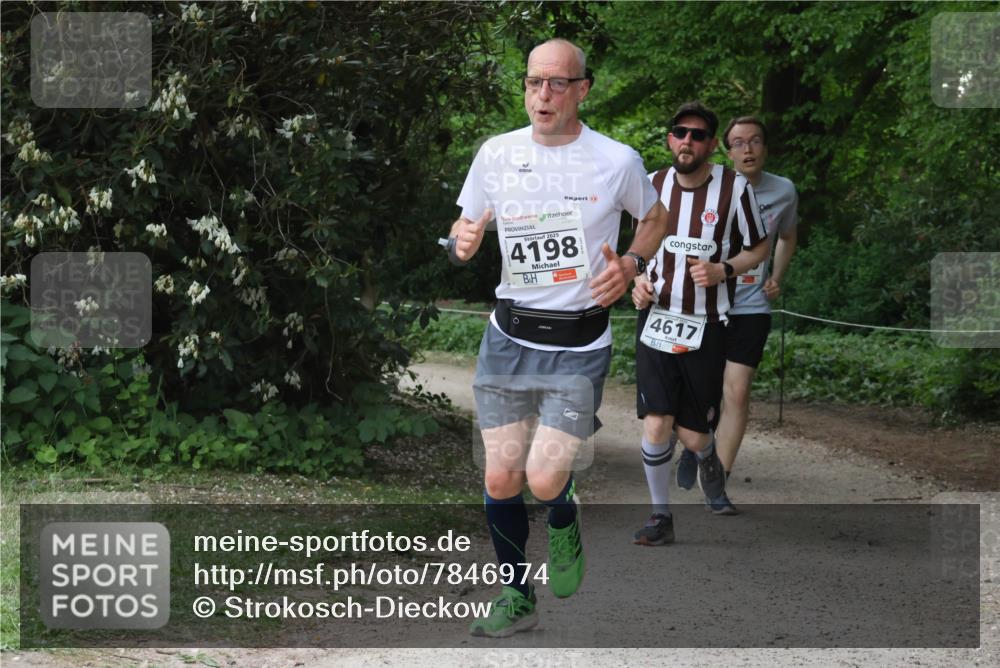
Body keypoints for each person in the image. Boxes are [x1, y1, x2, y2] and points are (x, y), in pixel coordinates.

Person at [447, 38, 669, 636]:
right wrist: (462, 240)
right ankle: (517, 596)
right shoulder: (496, 153)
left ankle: (563, 513)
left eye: (557, 84)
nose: (543, 95)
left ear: (582, 90)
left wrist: (631, 263)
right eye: (534, 82)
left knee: (543, 480)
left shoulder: (616, 160)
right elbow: (466, 221)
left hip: (578, 344)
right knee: (500, 477)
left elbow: (655, 217)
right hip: (508, 335)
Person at [630, 102, 769, 546]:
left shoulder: (734, 189)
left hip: (707, 323)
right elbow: (635, 251)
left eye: (697, 134)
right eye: (679, 132)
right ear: (671, 139)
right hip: (655, 319)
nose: (686, 141)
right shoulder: (650, 185)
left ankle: (707, 456)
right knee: (656, 420)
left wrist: (724, 270)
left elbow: (760, 248)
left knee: (691, 434)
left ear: (711, 144)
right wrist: (637, 283)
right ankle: (659, 516)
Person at [690, 116, 799, 514]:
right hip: (704, 305)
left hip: (751, 306)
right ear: (727, 151)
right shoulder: (706, 185)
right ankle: (697, 446)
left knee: (736, 391)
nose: (747, 149)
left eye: (755, 141)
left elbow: (788, 237)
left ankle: (717, 482)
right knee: (699, 394)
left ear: (765, 148)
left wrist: (777, 276)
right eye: (738, 143)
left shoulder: (783, 191)